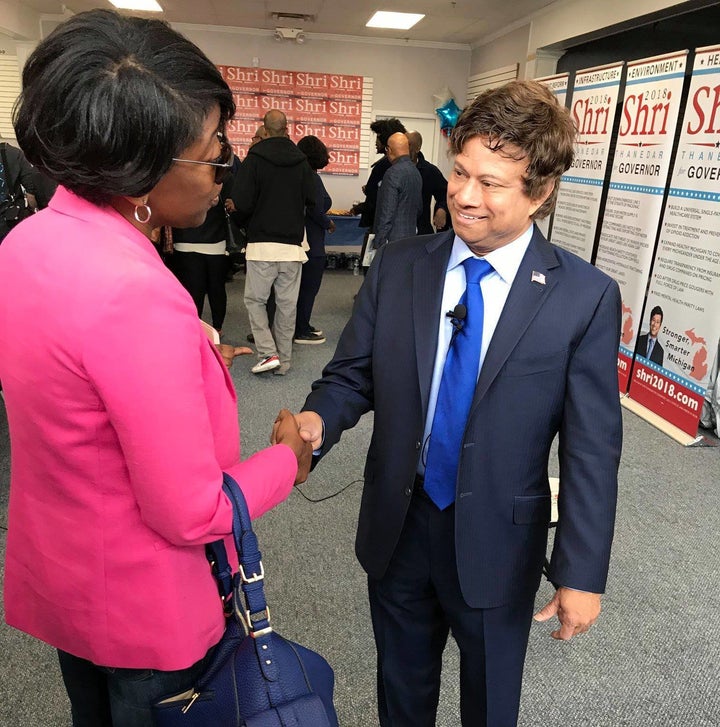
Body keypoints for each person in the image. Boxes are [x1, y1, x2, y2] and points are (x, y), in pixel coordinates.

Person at [0, 11, 311, 727]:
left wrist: (186, 348)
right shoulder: (133, 292)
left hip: (68, 576)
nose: (222, 170)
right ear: (140, 175)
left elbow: (74, 382)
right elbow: (190, 509)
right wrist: (286, 460)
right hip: (144, 606)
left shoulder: (33, 239)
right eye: (212, 153)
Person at [284, 80, 622, 726]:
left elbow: (592, 447)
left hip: (501, 539)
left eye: (491, 183)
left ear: (541, 191)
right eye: (461, 171)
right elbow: (354, 373)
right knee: (401, 692)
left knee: (490, 704)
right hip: (398, 525)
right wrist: (317, 420)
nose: (464, 194)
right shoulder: (402, 265)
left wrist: (581, 571)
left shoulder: (584, 297)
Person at [231, 109, 315, 375]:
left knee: (255, 301)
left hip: (261, 246)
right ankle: (284, 361)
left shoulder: (254, 160)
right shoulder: (301, 162)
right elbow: (314, 199)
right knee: (287, 306)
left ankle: (268, 353)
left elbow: (241, 202)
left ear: (264, 130)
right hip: (292, 248)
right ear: (286, 129)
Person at [170, 170, 234, 335]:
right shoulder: (223, 177)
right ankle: (217, 329)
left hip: (184, 238)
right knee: (216, 288)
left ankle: (194, 328)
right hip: (216, 239)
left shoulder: (180, 174)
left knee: (192, 290)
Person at [294, 135, 335, 345]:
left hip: (300, 238)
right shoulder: (312, 178)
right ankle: (301, 329)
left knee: (299, 287)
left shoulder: (299, 175)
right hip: (313, 241)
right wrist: (328, 223)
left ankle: (302, 324)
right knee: (309, 287)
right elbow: (316, 209)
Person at [372, 132, 422, 248]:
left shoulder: (392, 173)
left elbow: (387, 213)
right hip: (411, 238)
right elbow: (419, 208)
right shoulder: (415, 172)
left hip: (392, 241)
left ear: (388, 150)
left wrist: (378, 243)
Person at [406, 130, 450, 235]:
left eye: (409, 144)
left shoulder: (429, 171)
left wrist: (442, 209)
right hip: (395, 232)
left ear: (417, 148)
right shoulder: (391, 168)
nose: (405, 148)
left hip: (421, 231)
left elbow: (446, 192)